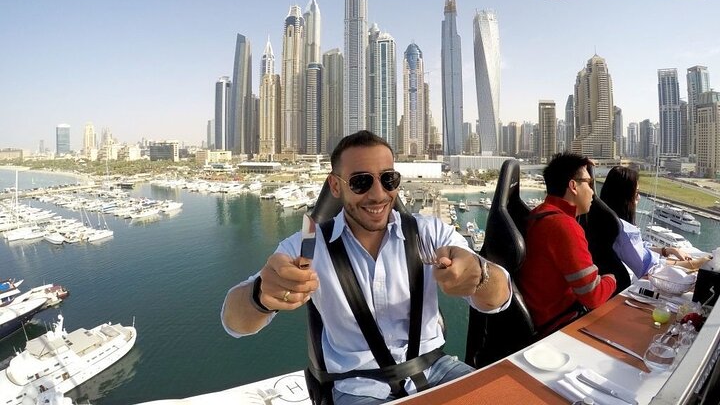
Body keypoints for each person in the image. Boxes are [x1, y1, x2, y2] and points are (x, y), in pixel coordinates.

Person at [221, 130, 512, 405]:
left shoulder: (429, 233)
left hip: (438, 369)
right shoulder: (307, 246)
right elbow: (234, 323)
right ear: (336, 186)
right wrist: (261, 295)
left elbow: (500, 299)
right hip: (357, 387)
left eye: (388, 179)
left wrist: (480, 275)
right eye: (361, 182)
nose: (378, 194)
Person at [517, 152, 616, 333]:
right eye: (589, 183)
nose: (592, 192)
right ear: (573, 186)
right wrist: (612, 279)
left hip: (543, 318)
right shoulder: (564, 226)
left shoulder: (540, 214)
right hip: (559, 324)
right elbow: (593, 297)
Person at [599, 166, 708, 279]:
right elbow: (649, 267)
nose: (639, 198)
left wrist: (668, 250)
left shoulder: (604, 221)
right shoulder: (623, 230)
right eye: (636, 193)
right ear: (624, 197)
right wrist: (694, 264)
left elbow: (638, 248)